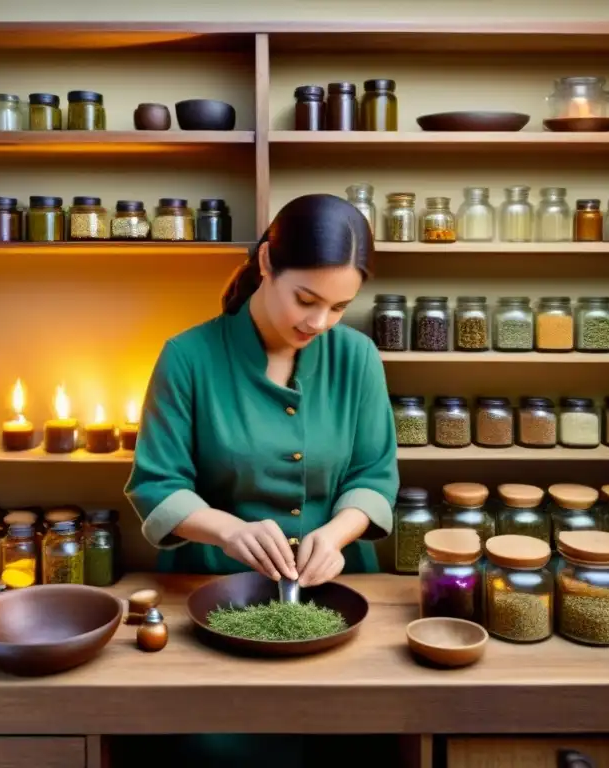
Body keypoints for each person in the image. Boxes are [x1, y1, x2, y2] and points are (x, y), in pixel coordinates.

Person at [124, 193, 399, 767]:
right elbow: (156, 482)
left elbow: (374, 473)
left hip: (340, 598)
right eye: (306, 299)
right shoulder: (188, 356)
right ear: (268, 262)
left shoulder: (359, 358)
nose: (318, 322)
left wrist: (340, 533)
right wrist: (227, 530)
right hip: (214, 598)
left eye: (339, 307)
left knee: (359, 740)